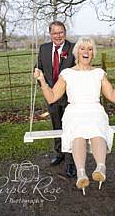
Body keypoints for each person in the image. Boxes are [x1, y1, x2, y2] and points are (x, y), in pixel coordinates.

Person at [34, 37, 115, 195]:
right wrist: (42, 80)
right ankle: (81, 173)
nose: (86, 51)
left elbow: (112, 97)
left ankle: (100, 167)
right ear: (76, 52)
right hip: (74, 110)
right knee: (77, 132)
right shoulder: (67, 74)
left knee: (97, 129)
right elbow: (52, 97)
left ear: (93, 54)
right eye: (82, 48)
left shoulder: (99, 73)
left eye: (90, 49)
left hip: (95, 109)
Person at [36, 20, 76, 178]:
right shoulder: (44, 48)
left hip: (69, 96)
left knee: (70, 128)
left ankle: (70, 160)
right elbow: (38, 67)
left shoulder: (73, 48)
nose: (58, 35)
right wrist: (39, 79)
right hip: (51, 96)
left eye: (61, 32)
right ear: (50, 34)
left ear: (65, 32)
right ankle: (59, 153)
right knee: (56, 125)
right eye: (55, 33)